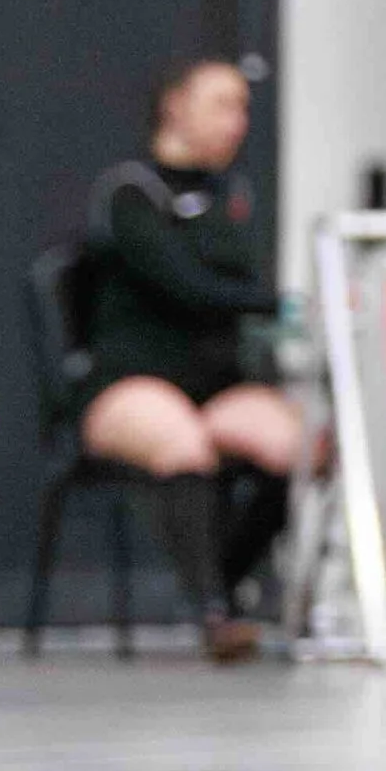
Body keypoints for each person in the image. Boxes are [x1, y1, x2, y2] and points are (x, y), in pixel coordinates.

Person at [80, 57, 299, 662]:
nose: (238, 122)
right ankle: (212, 613)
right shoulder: (132, 193)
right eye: (222, 105)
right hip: (134, 378)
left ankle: (226, 583)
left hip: (217, 383)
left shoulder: (233, 196)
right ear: (176, 106)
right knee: (183, 444)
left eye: (244, 108)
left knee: (297, 448)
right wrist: (280, 302)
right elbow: (188, 288)